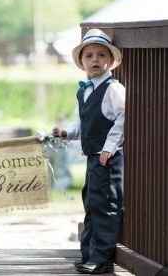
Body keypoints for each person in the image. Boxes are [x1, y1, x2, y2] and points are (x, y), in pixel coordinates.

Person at [52, 28, 125, 274]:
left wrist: (109, 148)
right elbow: (86, 124)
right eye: (89, 55)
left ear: (111, 60)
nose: (95, 60)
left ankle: (102, 259)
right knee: (91, 204)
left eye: (101, 55)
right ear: (82, 61)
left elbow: (123, 118)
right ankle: (89, 254)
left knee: (105, 206)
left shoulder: (114, 89)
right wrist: (67, 133)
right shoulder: (86, 90)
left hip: (108, 159)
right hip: (93, 158)